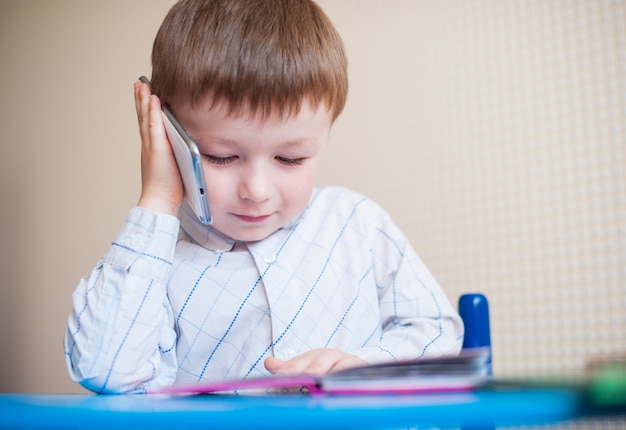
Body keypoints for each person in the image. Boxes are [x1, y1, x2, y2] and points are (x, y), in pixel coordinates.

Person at [64, 0, 463, 394]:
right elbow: (105, 370)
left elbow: (438, 335)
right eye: (222, 157)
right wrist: (157, 199)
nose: (256, 190)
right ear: (169, 135)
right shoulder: (157, 263)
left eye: (290, 158)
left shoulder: (357, 223)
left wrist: (366, 365)